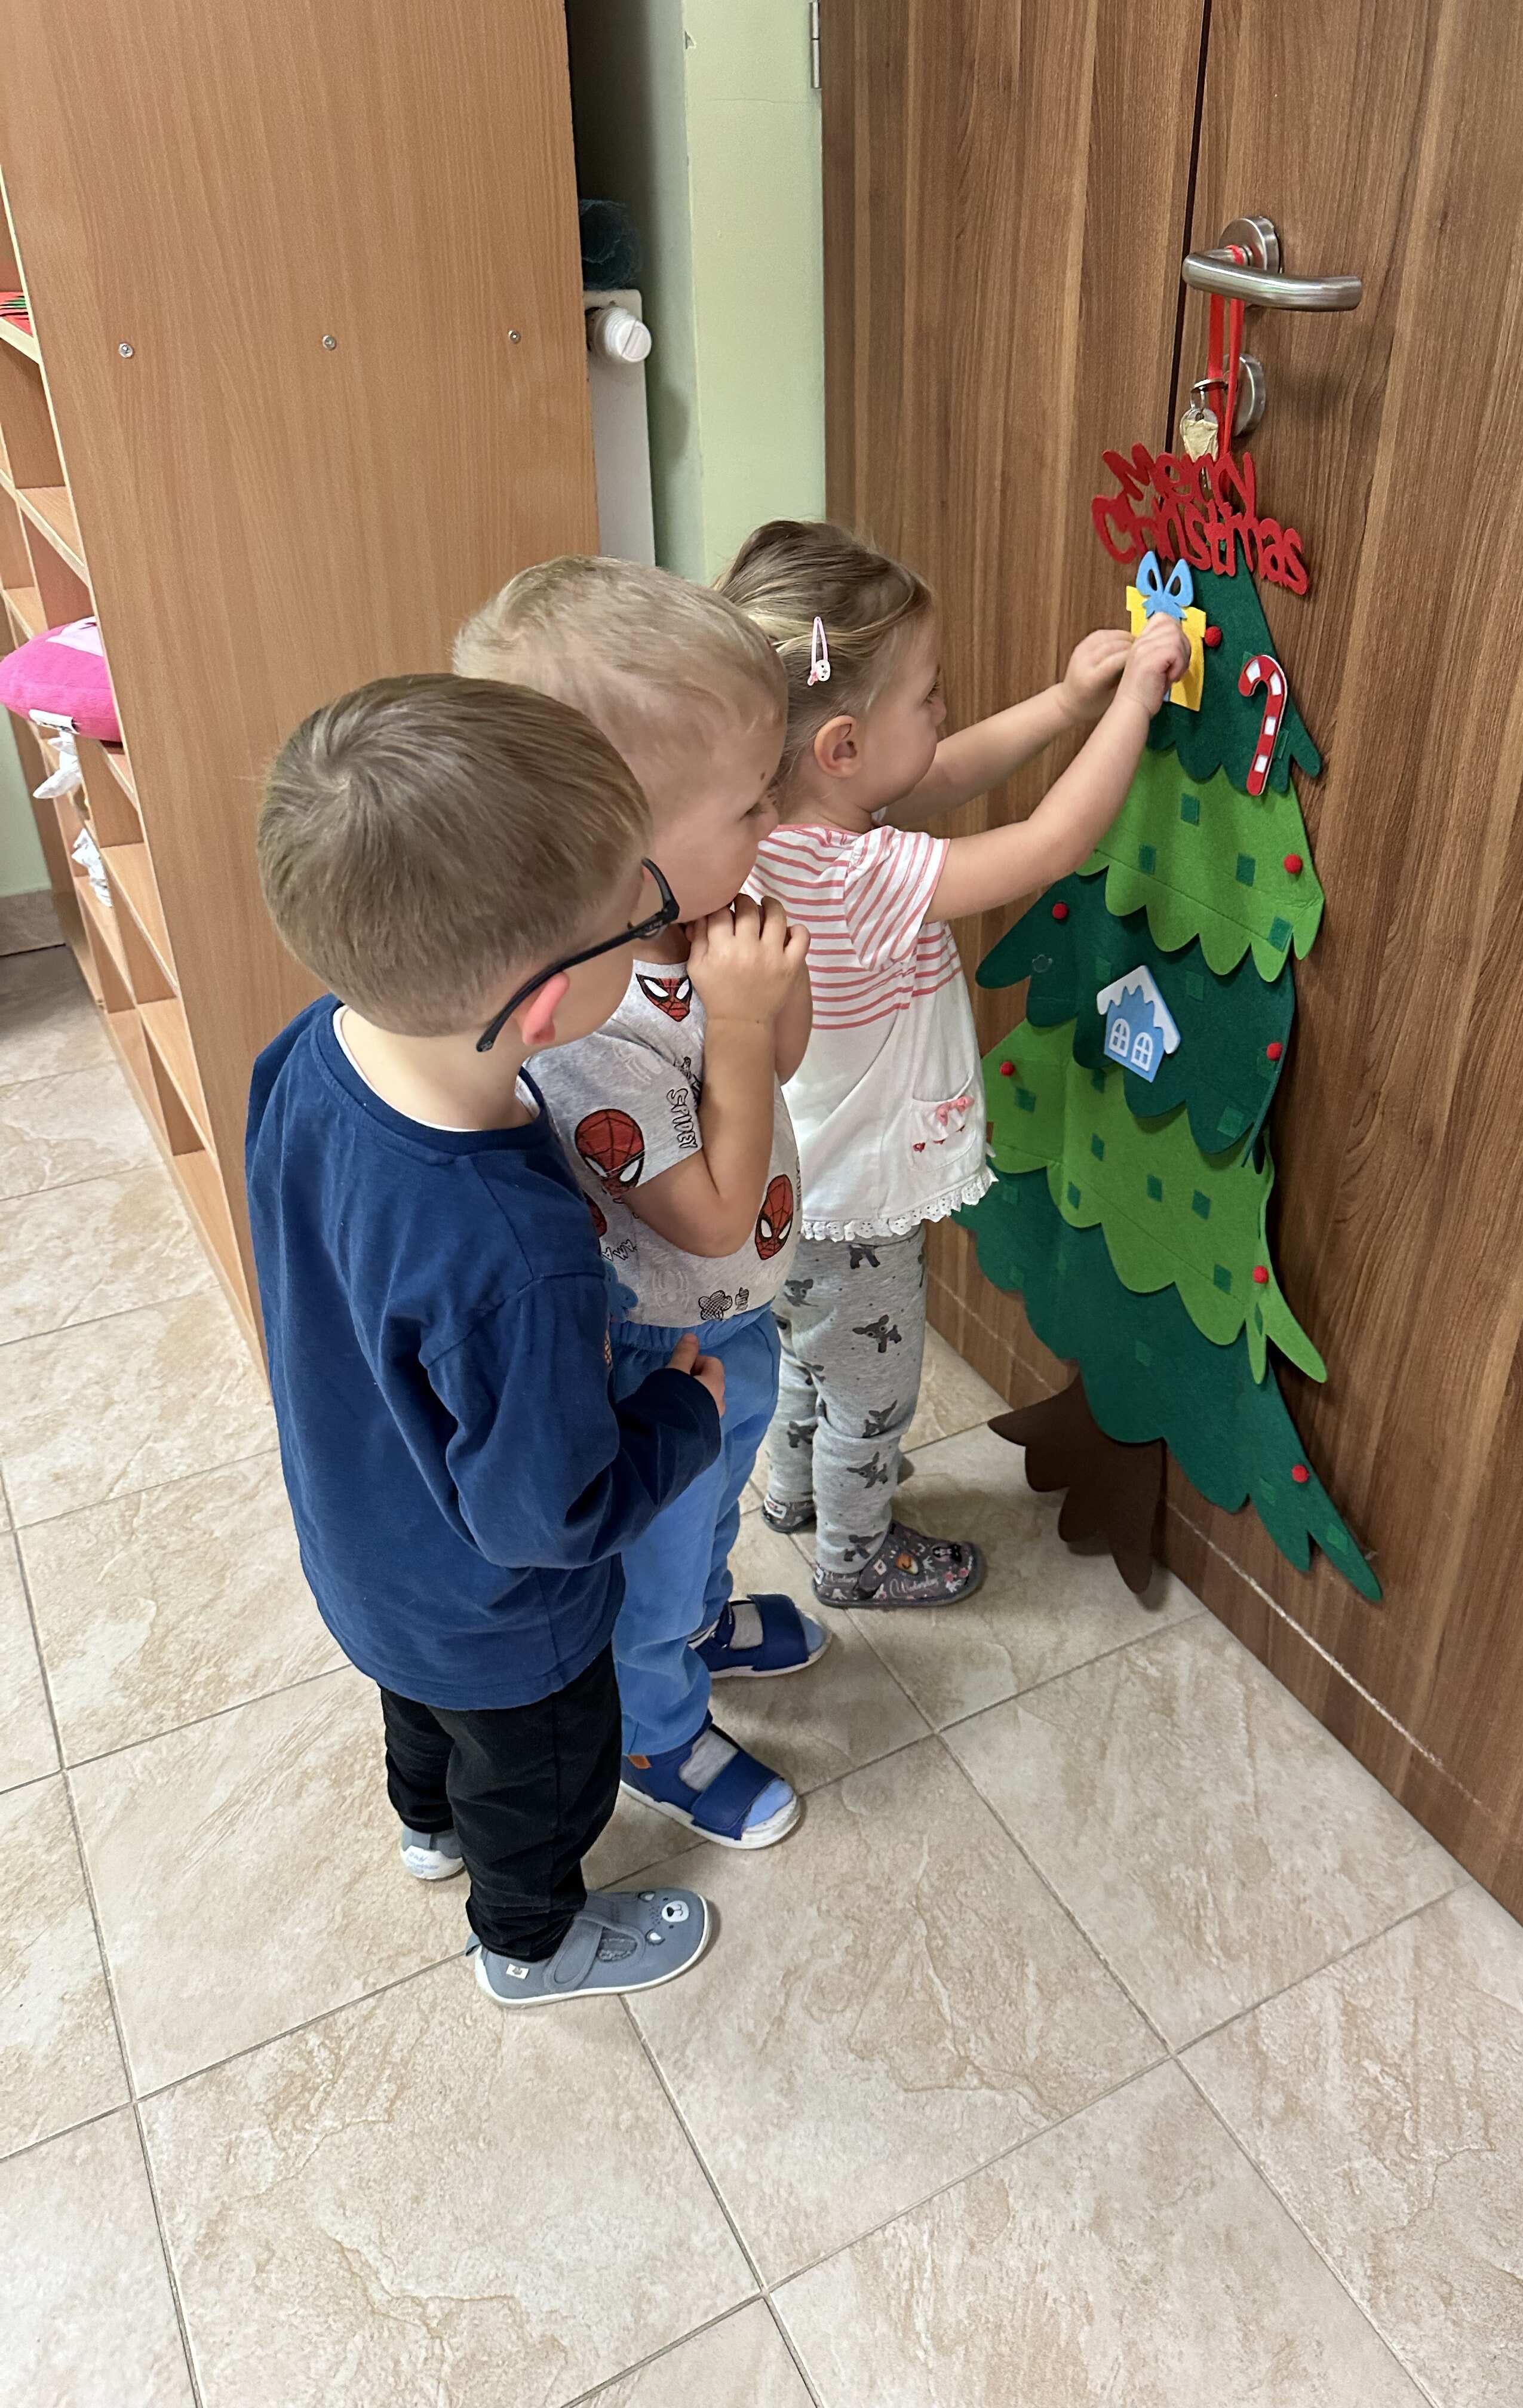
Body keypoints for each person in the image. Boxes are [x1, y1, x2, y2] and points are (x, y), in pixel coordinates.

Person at [246, 673, 726, 2005]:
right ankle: (530, 1941)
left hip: (364, 1545)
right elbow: (547, 1516)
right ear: (548, 1007)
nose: (658, 908)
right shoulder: (516, 1253)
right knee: (539, 1780)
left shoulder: (308, 1051)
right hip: (505, 1623)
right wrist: (680, 1419)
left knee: (420, 1712)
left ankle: (425, 1827)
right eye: (640, 905)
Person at [722, 520, 1189, 1605]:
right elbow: (1048, 846)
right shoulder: (858, 875)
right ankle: (855, 1559)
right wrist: (1132, 703)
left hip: (796, 1193)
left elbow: (941, 772)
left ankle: (792, 1493)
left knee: (811, 1358)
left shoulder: (781, 828)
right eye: (929, 694)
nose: (944, 712)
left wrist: (1064, 703)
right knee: (875, 1396)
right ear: (843, 746)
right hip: (859, 1206)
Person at [454, 561, 824, 1852]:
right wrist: (737, 1018)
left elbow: (784, 1063)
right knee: (652, 1562)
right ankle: (656, 1731)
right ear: (623, 847)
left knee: (712, 1514)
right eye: (750, 801)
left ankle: (699, 1625)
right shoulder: (590, 1025)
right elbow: (711, 1215)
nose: (779, 816)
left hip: (733, 1320)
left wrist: (765, 991)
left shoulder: (696, 931)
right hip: (652, 1348)